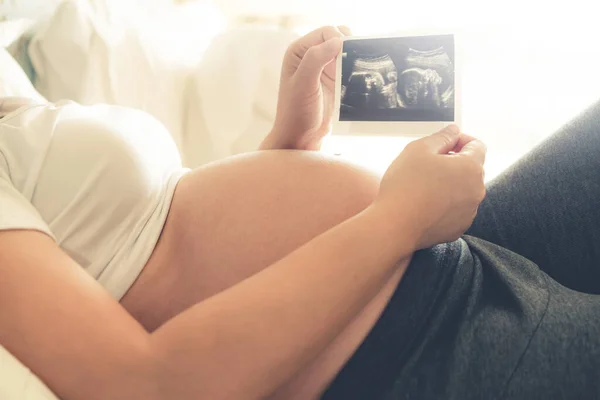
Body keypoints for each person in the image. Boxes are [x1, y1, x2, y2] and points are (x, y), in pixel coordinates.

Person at [0, 24, 598, 400]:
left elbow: (153, 253)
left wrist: (288, 146)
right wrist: (397, 218)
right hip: (425, 354)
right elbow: (140, 384)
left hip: (455, 264)